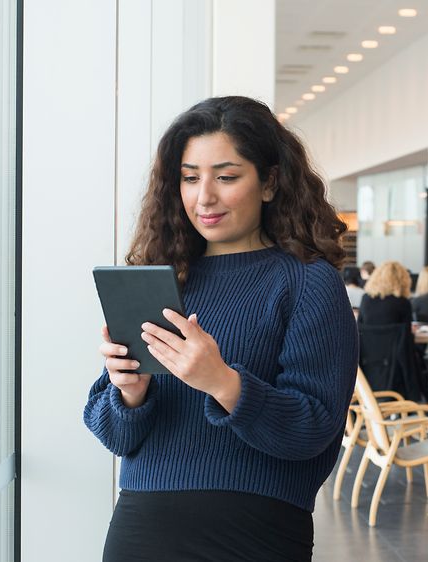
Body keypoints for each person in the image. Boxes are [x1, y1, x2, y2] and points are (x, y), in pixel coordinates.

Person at [83, 96, 359, 562]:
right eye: (190, 178)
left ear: (270, 182)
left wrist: (222, 382)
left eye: (226, 177)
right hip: (142, 525)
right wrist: (128, 391)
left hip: (253, 532)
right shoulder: (164, 279)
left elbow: (314, 428)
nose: (203, 196)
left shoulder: (308, 282)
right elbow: (114, 434)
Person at [357, 261, 413, 325]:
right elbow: (407, 332)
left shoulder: (365, 298)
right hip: (393, 335)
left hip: (369, 335)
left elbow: (359, 327)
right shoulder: (403, 302)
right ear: (403, 280)